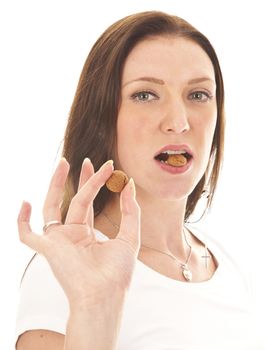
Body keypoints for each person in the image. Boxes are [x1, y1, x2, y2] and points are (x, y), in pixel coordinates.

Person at [15, 10, 264, 350]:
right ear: (102, 118)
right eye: (145, 95)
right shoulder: (65, 274)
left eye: (198, 95)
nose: (178, 122)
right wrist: (94, 309)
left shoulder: (225, 266)